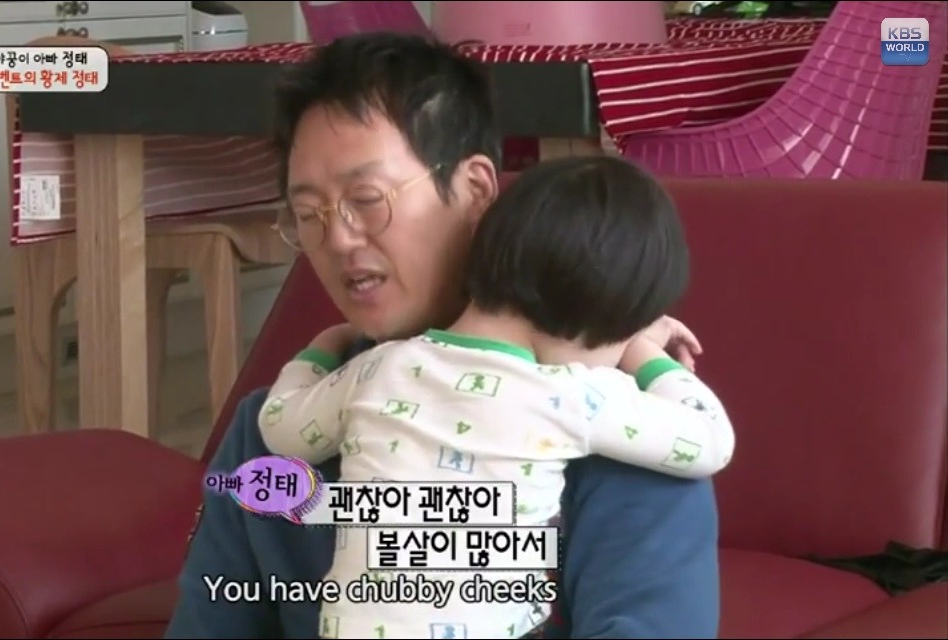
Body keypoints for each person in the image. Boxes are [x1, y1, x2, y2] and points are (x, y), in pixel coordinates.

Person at [166, 31, 723, 639]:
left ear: (475, 190)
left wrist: (638, 355)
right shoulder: (268, 430)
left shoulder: (627, 435)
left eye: (367, 198)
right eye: (308, 214)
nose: (339, 237)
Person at [255, 156, 736, 639]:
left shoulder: (379, 368)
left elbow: (279, 428)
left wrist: (322, 349)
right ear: (601, 320)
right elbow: (710, 441)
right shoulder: (569, 395)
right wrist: (646, 354)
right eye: (624, 333)